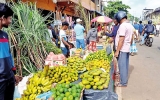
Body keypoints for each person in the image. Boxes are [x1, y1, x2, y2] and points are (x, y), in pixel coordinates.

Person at [0, 3, 19, 100]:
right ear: (2, 18)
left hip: (9, 78)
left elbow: (8, 54)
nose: (10, 21)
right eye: (9, 18)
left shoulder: (5, 35)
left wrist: (13, 73)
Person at [114, 11, 134, 87]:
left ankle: (123, 82)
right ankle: (124, 80)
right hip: (126, 48)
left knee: (122, 66)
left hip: (122, 49)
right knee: (125, 65)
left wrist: (117, 51)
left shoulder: (122, 26)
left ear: (119, 17)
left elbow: (121, 39)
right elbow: (132, 38)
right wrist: (129, 45)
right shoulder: (129, 25)